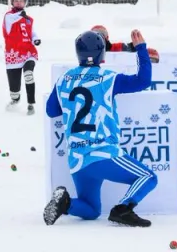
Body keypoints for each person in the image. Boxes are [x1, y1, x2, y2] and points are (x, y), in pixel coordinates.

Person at [43, 29, 158, 227]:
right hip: (104, 154)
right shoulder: (108, 78)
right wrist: (140, 49)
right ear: (101, 54)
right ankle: (123, 209)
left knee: (92, 209)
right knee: (148, 176)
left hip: (78, 159)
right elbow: (143, 80)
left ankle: (66, 203)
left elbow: (51, 111)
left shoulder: (64, 79)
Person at [3, 0, 41, 115]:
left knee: (28, 74)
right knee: (14, 89)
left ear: (25, 2)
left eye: (21, 0)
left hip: (28, 52)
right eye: (16, 0)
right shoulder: (9, 16)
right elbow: (13, 18)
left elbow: (32, 32)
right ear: (12, 2)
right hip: (14, 54)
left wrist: (35, 39)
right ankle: (15, 99)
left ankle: (31, 104)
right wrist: (20, 15)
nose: (19, 3)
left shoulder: (28, 19)